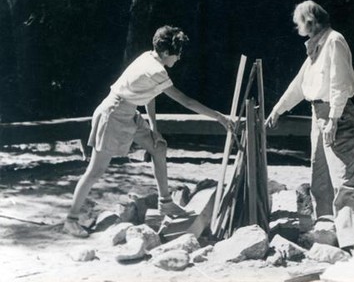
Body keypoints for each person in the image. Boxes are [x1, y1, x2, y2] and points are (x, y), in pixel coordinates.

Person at [64, 25, 233, 238]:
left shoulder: (150, 58)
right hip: (113, 115)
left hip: (130, 113)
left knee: (158, 148)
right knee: (95, 170)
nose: (178, 58)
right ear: (165, 53)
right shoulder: (155, 69)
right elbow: (186, 101)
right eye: (177, 54)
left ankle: (166, 203)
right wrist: (219, 116)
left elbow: (150, 95)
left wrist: (154, 129)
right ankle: (70, 220)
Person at [266, 0, 354, 260]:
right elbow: (300, 84)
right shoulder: (316, 47)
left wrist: (334, 119)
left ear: (310, 20)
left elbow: (341, 83)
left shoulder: (334, 41)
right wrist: (278, 109)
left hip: (338, 114)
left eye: (299, 21)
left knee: (343, 180)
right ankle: (328, 230)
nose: (296, 25)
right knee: (319, 177)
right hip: (318, 114)